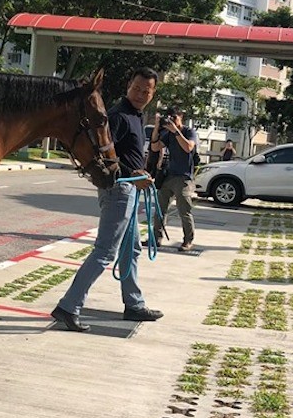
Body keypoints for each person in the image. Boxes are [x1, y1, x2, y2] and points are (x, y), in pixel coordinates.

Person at [51, 68, 164, 332]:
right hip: (118, 191)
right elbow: (101, 157)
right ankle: (68, 307)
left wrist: (139, 174)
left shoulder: (136, 115)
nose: (140, 94)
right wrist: (131, 175)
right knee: (105, 251)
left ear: (153, 93)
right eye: (136, 89)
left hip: (131, 191)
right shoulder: (118, 116)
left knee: (131, 249)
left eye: (146, 91)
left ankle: (134, 303)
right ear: (128, 86)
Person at [149, 106, 199, 251]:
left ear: (181, 116)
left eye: (174, 118)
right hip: (169, 175)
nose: (172, 121)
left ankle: (188, 240)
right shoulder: (168, 134)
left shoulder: (189, 132)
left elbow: (188, 147)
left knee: (184, 210)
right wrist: (157, 128)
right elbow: (155, 147)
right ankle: (156, 238)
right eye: (169, 118)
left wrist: (175, 131)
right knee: (160, 208)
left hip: (184, 177)